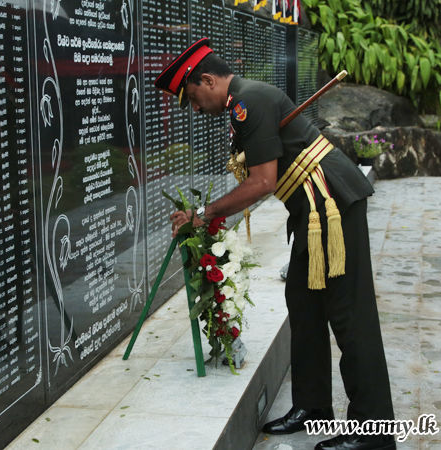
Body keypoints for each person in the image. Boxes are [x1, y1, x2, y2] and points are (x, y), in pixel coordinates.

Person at [154, 38, 396, 450]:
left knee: (350, 318)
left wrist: (206, 213)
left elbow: (263, 181)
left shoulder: (250, 102)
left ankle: (375, 433)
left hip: (332, 207)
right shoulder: (242, 103)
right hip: (312, 214)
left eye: (193, 98)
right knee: (303, 303)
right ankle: (313, 406)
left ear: (209, 80)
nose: (195, 109)